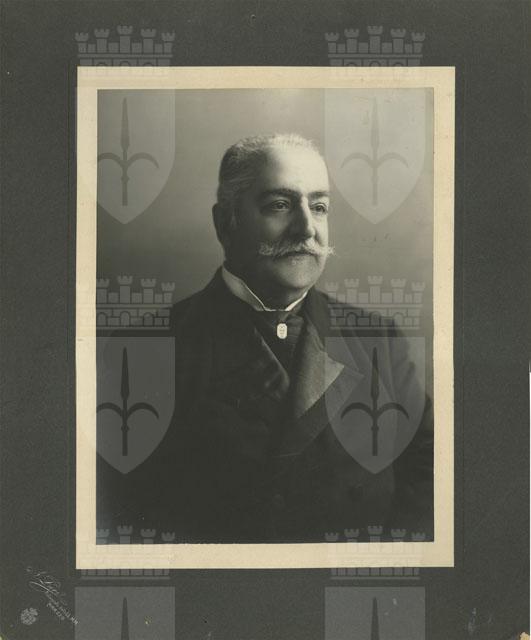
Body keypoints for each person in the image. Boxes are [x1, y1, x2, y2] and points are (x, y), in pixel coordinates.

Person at [97, 133, 433, 543]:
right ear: (226, 223)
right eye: (279, 205)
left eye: (319, 207)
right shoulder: (144, 350)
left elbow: (429, 476)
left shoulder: (377, 340)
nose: (306, 228)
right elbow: (117, 512)